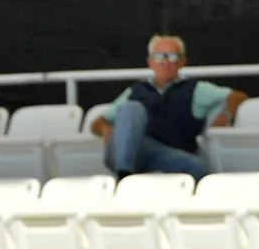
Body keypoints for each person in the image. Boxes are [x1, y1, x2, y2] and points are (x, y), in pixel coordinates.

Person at [90, 35, 246, 180]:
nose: (165, 62)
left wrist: (224, 115)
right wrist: (106, 130)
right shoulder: (135, 91)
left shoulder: (196, 89)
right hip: (132, 148)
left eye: (172, 56)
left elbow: (237, 96)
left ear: (182, 62)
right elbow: (99, 122)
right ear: (150, 62)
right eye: (159, 57)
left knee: (197, 167)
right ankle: (124, 177)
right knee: (131, 108)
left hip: (167, 153)